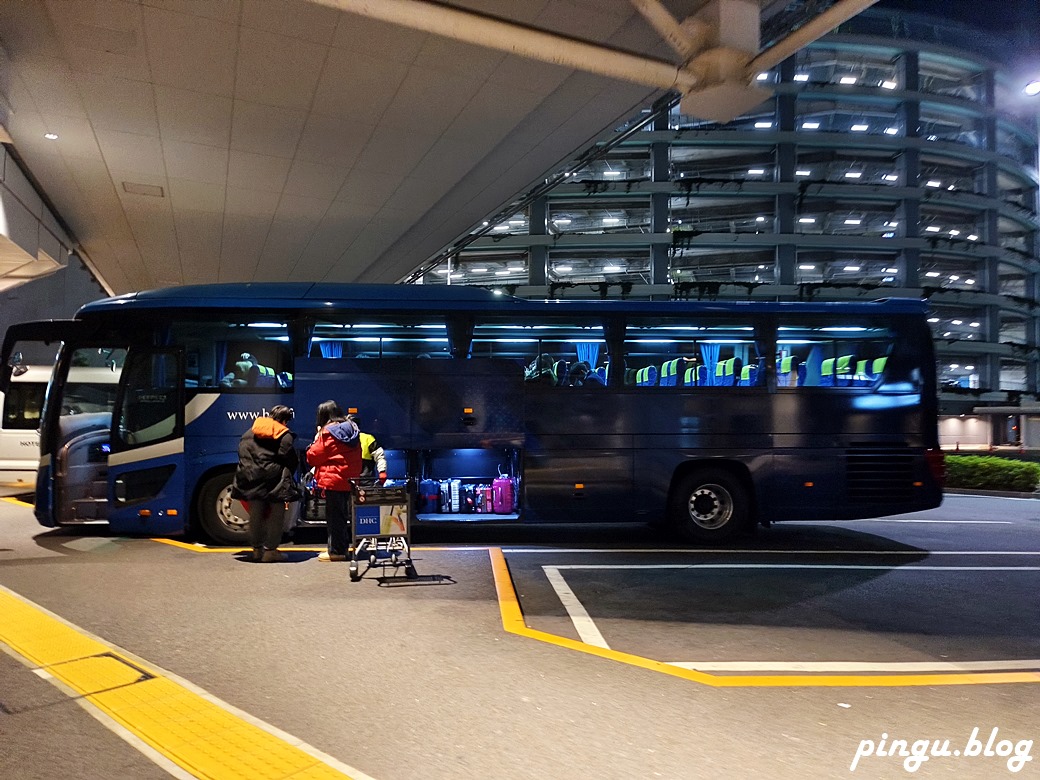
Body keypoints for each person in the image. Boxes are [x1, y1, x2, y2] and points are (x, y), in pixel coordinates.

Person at [230, 405, 299, 563]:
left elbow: (242, 452)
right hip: (273, 479)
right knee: (277, 512)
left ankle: (256, 550)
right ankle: (271, 551)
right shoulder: (284, 434)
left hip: (250, 477)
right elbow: (288, 456)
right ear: (283, 420)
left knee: (256, 513)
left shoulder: (249, 432)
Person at [306, 401, 362, 562]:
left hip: (334, 479)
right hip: (349, 478)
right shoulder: (351, 428)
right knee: (341, 516)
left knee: (335, 518)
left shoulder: (328, 433)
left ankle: (336, 551)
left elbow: (312, 456)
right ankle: (341, 548)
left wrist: (317, 438)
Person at [347, 413, 388, 486]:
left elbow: (379, 456)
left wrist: (382, 471)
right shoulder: (342, 439)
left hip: (365, 482)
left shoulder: (368, 439)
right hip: (348, 483)